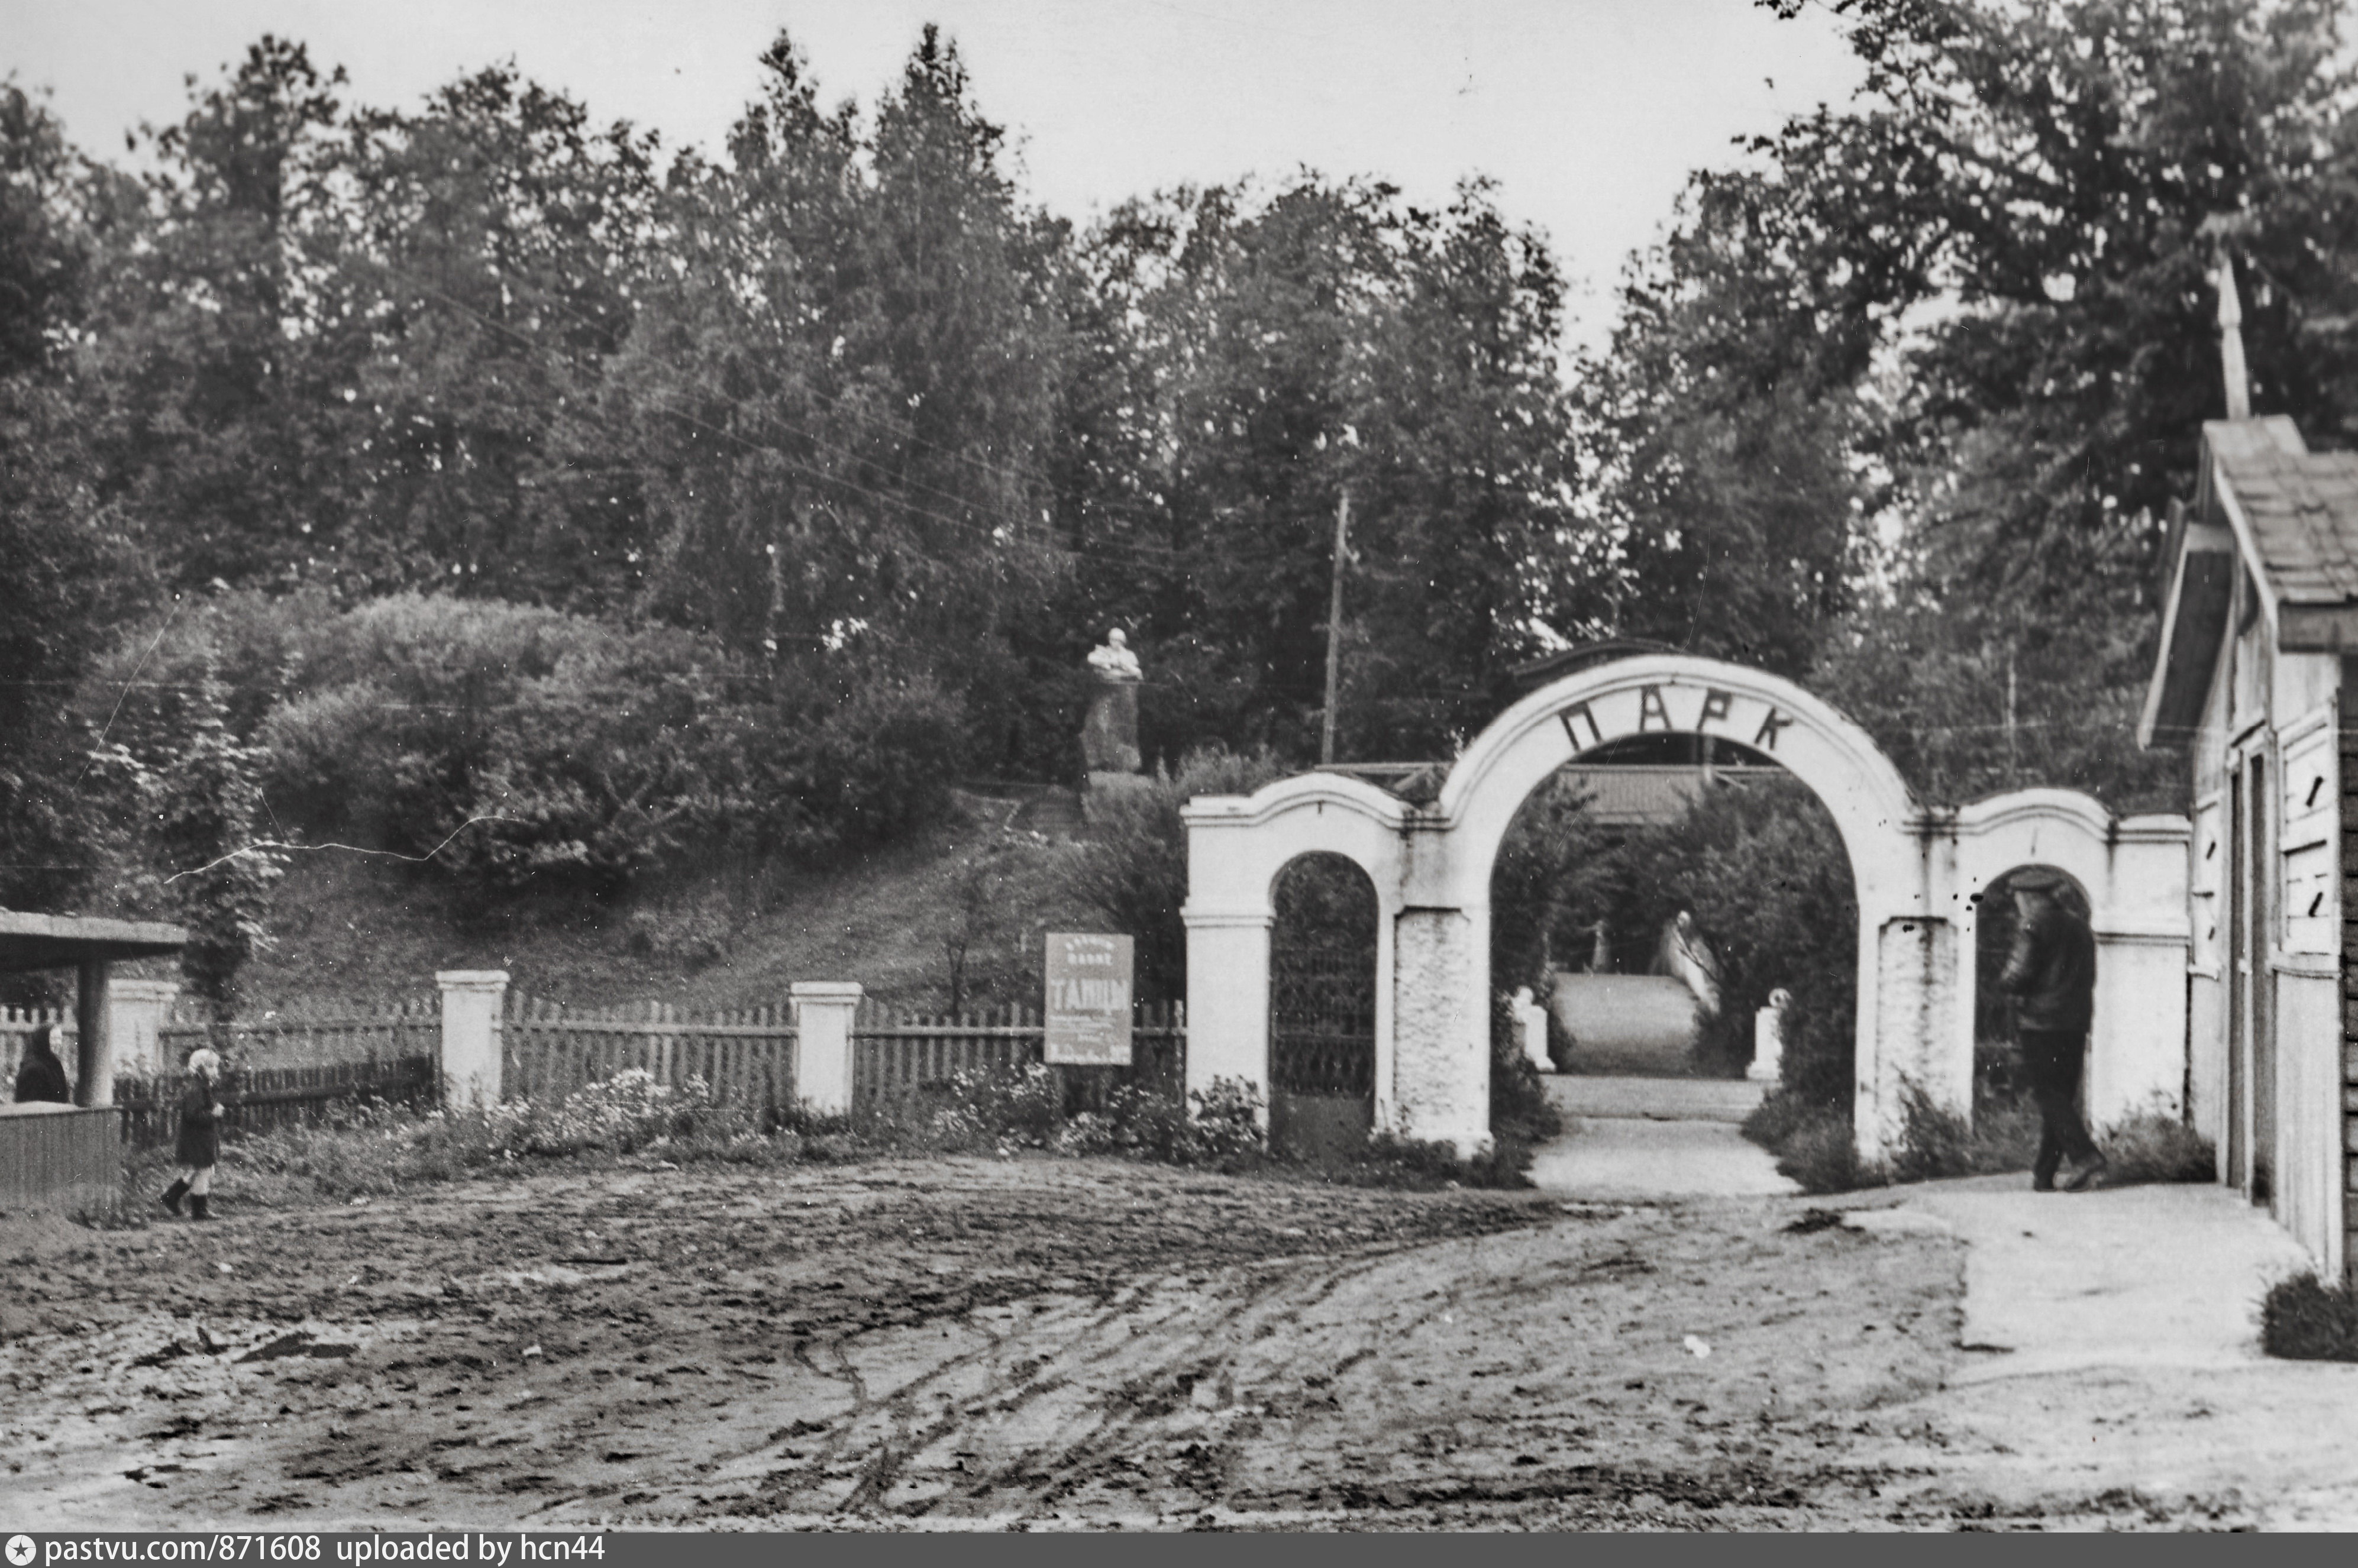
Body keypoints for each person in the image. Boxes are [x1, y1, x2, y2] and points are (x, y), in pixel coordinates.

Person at [1998, 868, 2105, 1192]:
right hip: (2075, 1022)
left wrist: (2004, 984)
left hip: (2040, 1023)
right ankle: (2044, 1174)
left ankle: (2085, 1156)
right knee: (2060, 1097)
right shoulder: (2079, 926)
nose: (2018, 905)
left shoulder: (2033, 925)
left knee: (2048, 1094)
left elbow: (2019, 973)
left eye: (2018, 899)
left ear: (2029, 898)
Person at [159, 1048, 226, 1220]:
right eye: (211, 1067)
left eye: (216, 1067)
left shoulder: (204, 1088)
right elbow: (192, 1115)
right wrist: (214, 1114)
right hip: (197, 1138)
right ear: (199, 1069)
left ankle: (173, 1197)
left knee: (201, 1170)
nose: (215, 1071)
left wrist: (213, 1113)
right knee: (203, 1170)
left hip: (202, 1137)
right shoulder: (196, 1089)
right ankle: (198, 1210)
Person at [11, 1023, 72, 1104]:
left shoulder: (55, 1065)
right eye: (54, 1039)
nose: (59, 1043)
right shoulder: (33, 1069)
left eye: (60, 1039)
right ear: (43, 1040)